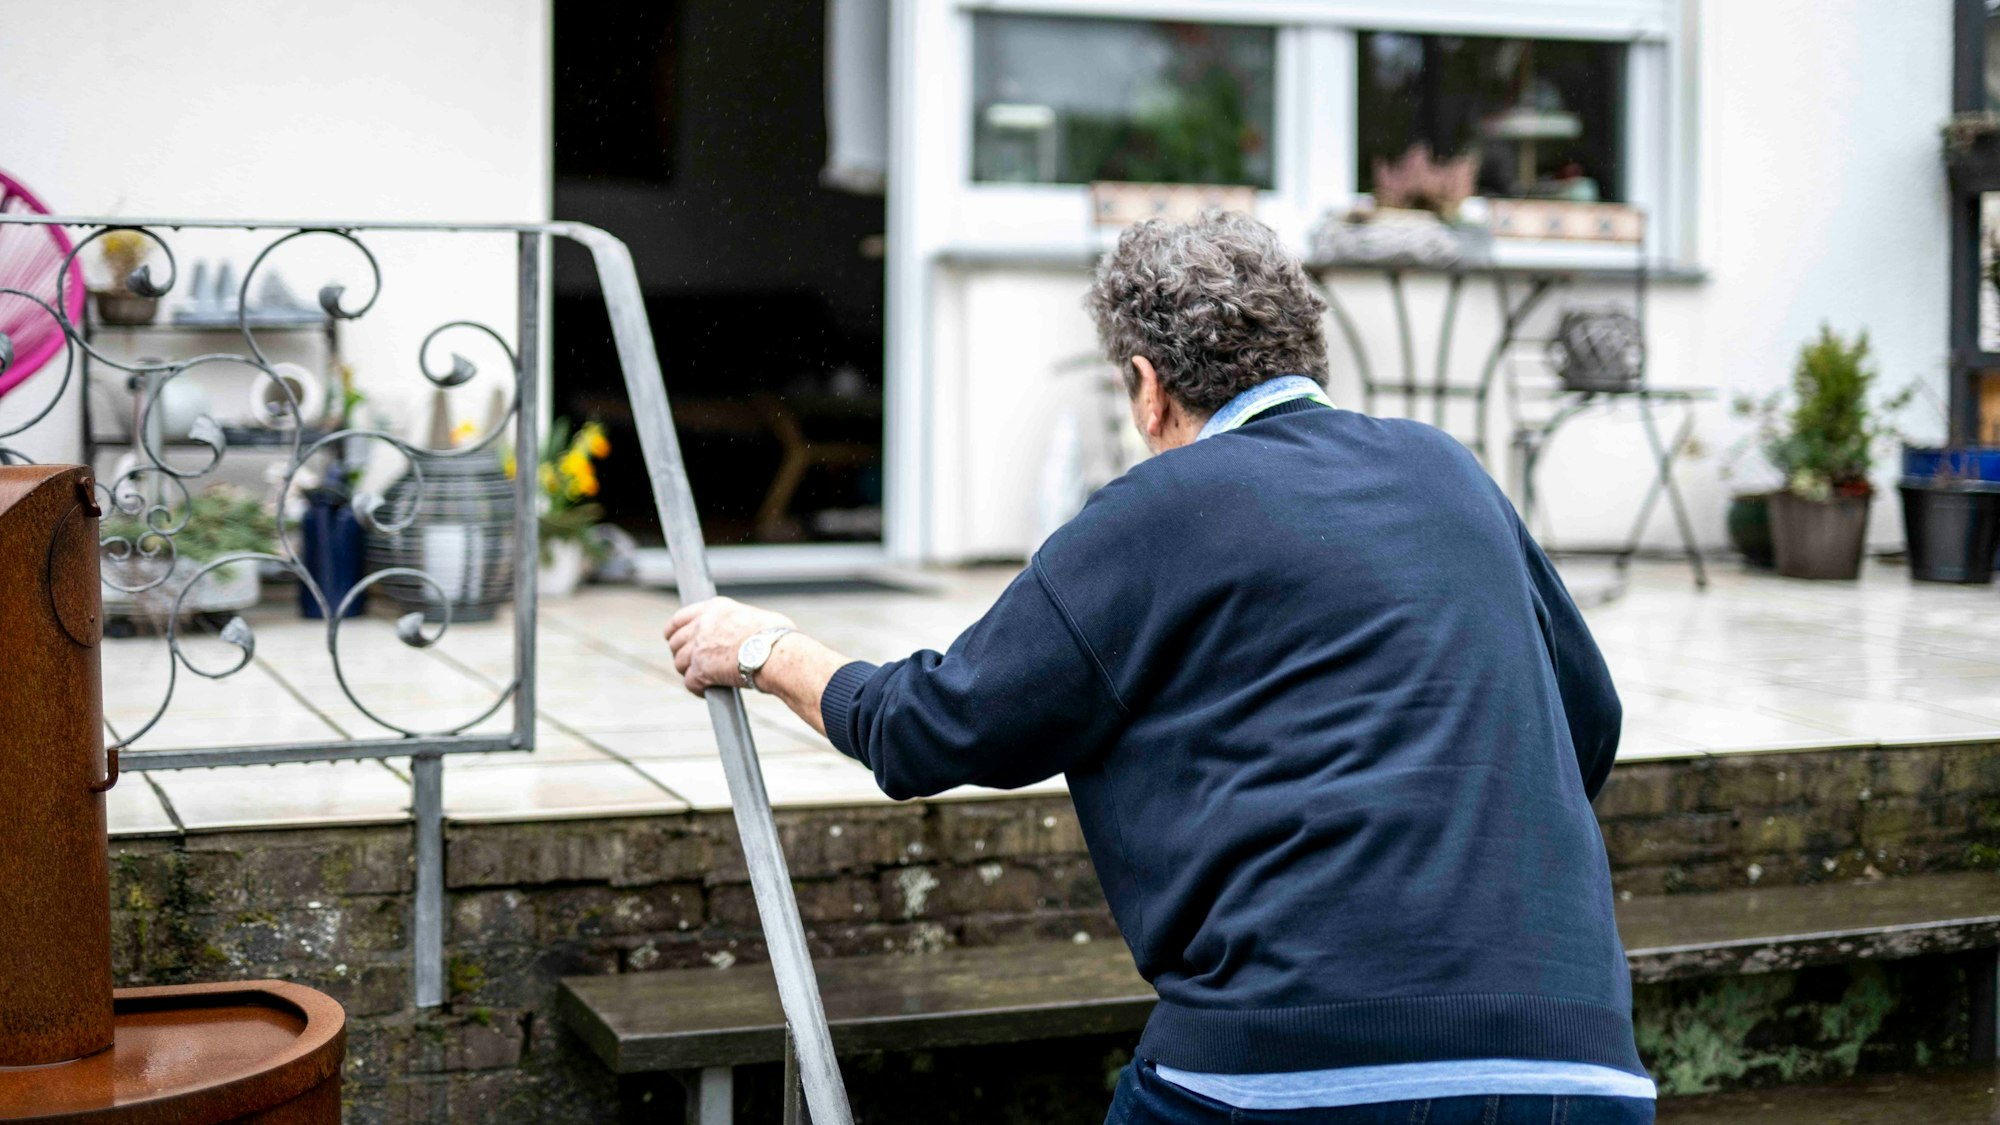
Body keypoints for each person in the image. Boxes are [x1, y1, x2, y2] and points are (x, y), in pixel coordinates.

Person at [666, 211, 1653, 1125]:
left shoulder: (1155, 511)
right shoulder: (1447, 471)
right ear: (1301, 349)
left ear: (1145, 384)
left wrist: (761, 650)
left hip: (1282, 1066)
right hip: (1579, 1066)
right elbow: (1588, 723)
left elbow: (924, 726)